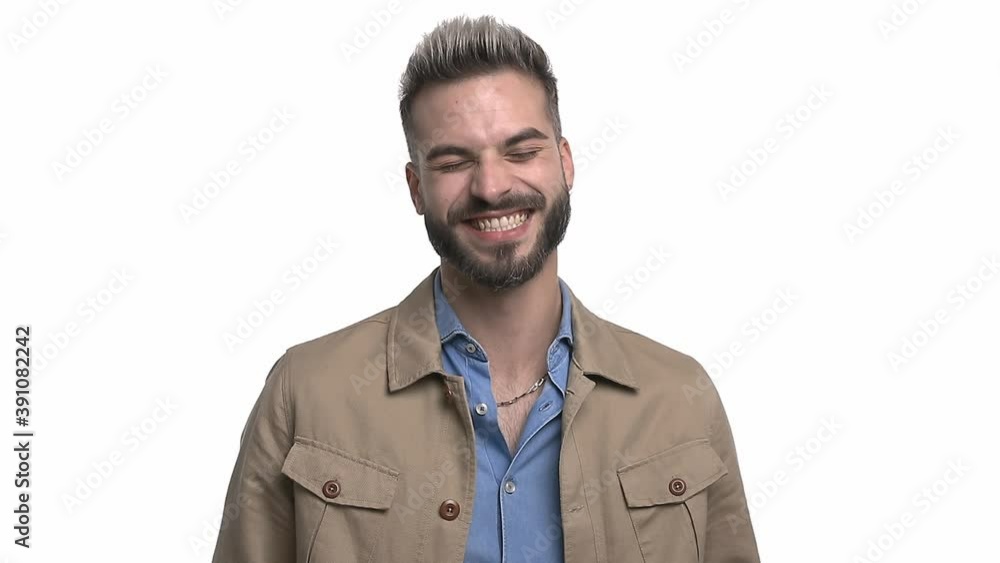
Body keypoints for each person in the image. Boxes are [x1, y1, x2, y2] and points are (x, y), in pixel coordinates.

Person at [212, 14, 760, 563]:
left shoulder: (680, 399)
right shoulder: (305, 394)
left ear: (565, 163)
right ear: (415, 187)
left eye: (521, 152)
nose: (492, 186)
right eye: (453, 161)